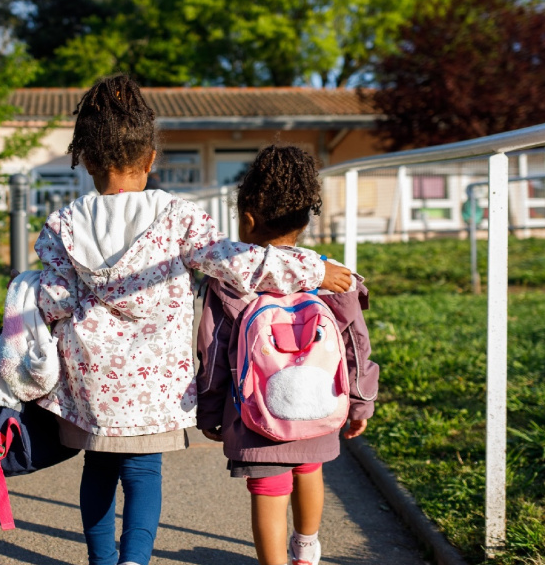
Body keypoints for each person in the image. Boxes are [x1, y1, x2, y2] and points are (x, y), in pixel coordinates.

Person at [33, 76, 354, 565]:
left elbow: (53, 302)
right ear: (151, 160)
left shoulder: (62, 225)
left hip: (91, 381)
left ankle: (101, 561)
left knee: (97, 471)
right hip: (154, 387)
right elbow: (238, 263)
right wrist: (313, 270)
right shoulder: (177, 217)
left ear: (88, 161)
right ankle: (134, 561)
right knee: (143, 474)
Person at [195, 144, 379, 565]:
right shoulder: (331, 275)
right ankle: (306, 549)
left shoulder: (231, 281)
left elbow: (213, 348)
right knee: (310, 470)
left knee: (268, 489)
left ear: (247, 219)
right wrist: (360, 401)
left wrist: (209, 411)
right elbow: (355, 343)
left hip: (254, 412)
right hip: (319, 404)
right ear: (305, 220)